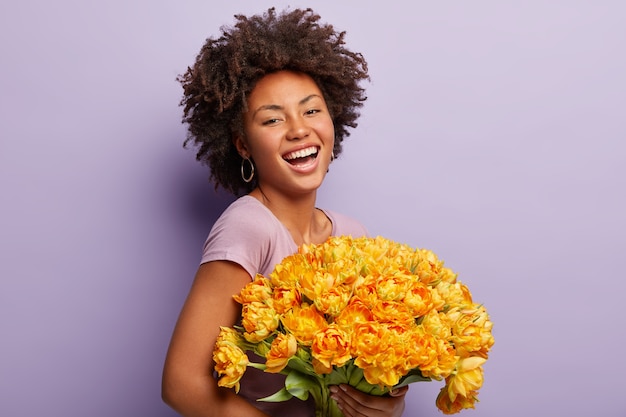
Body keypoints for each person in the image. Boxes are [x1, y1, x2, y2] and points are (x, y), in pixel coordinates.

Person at [162, 8, 408, 417]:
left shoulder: (353, 235)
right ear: (243, 146)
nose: (298, 129)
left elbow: (366, 370)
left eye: (312, 111)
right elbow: (181, 384)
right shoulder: (249, 226)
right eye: (273, 119)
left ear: (333, 121)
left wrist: (386, 402)